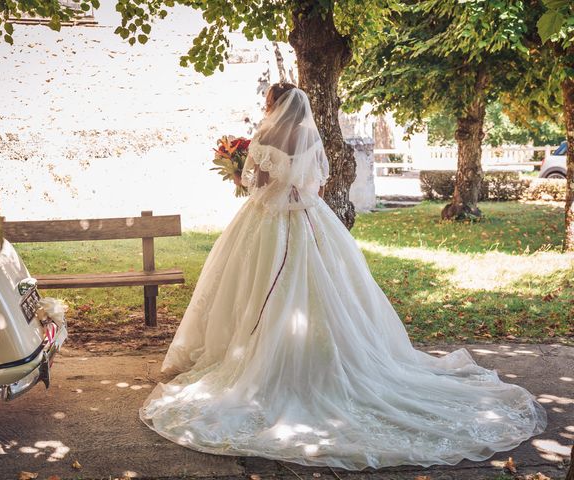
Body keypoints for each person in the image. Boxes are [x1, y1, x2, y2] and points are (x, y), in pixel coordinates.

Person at [140, 83, 546, 470]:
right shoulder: (309, 137)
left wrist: (238, 172)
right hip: (310, 220)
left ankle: (260, 352)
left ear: (275, 104)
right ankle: (321, 350)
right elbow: (313, 183)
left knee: (257, 287)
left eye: (269, 100)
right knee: (327, 290)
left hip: (268, 224)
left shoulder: (265, 136)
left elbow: (255, 186)